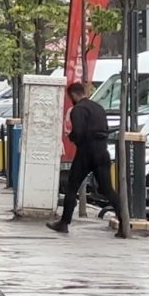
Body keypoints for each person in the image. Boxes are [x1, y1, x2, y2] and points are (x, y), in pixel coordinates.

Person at [47, 82, 123, 234]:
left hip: (86, 153)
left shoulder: (78, 110)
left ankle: (64, 223)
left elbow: (79, 133)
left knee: (72, 187)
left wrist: (71, 136)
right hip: (102, 152)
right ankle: (124, 222)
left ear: (74, 95)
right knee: (108, 189)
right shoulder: (98, 108)